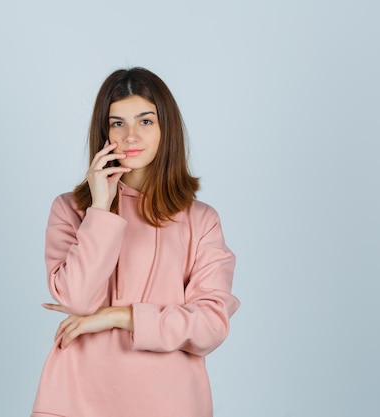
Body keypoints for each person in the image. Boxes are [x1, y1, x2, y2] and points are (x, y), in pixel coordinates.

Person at [31, 67, 240, 417]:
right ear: (103, 131)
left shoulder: (201, 219)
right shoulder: (70, 209)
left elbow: (211, 325)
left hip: (170, 402)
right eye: (117, 123)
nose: (130, 136)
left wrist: (116, 316)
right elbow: (78, 299)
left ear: (165, 129)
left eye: (145, 121)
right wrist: (100, 207)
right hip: (76, 397)